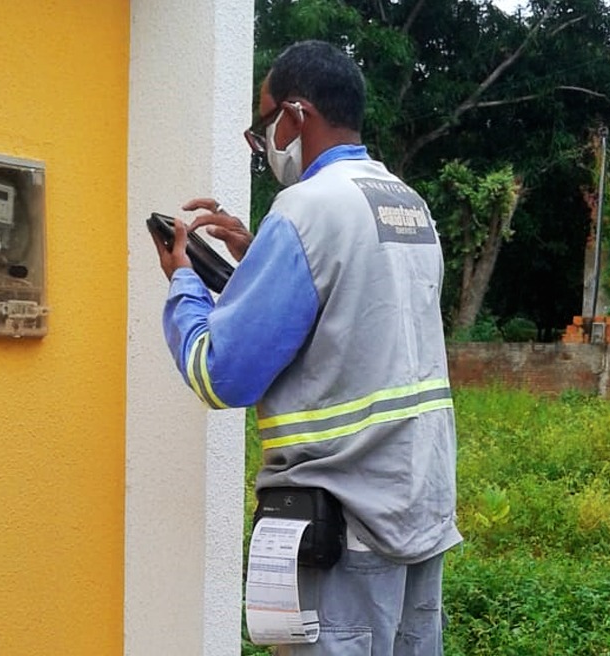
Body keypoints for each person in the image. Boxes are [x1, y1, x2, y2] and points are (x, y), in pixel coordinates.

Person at [149, 40, 461, 656]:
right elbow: (349, 326)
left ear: (294, 115)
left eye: (262, 125)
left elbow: (222, 375)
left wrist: (185, 279)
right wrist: (256, 261)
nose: (261, 143)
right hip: (418, 514)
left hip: (342, 530)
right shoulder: (407, 204)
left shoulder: (306, 209)